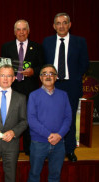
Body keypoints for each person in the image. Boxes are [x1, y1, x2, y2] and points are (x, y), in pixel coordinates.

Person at [43, 13, 89, 162]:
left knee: (69, 118)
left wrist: (73, 77)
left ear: (70, 25)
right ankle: (50, 149)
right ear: (53, 26)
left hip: (71, 85)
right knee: (49, 118)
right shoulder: (47, 42)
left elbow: (84, 65)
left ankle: (70, 150)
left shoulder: (80, 42)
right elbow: (44, 63)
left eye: (64, 23)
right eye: (58, 23)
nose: (61, 26)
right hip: (52, 84)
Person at [1, 19, 45, 155]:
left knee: (27, 119)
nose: (21, 32)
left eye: (24, 29)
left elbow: (42, 67)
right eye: (18, 30)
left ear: (29, 31)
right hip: (11, 89)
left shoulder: (37, 47)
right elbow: (2, 67)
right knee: (9, 119)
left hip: (30, 90)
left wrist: (33, 71)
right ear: (14, 32)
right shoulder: (6, 47)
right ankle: (8, 148)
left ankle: (28, 149)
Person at [27, 64, 72, 182]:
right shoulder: (33, 95)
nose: (48, 76)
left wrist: (59, 135)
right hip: (39, 143)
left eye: (51, 73)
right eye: (44, 74)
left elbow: (68, 118)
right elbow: (32, 120)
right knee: (34, 175)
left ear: (56, 77)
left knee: (55, 176)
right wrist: (49, 135)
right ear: (40, 78)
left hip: (59, 143)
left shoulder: (63, 95)